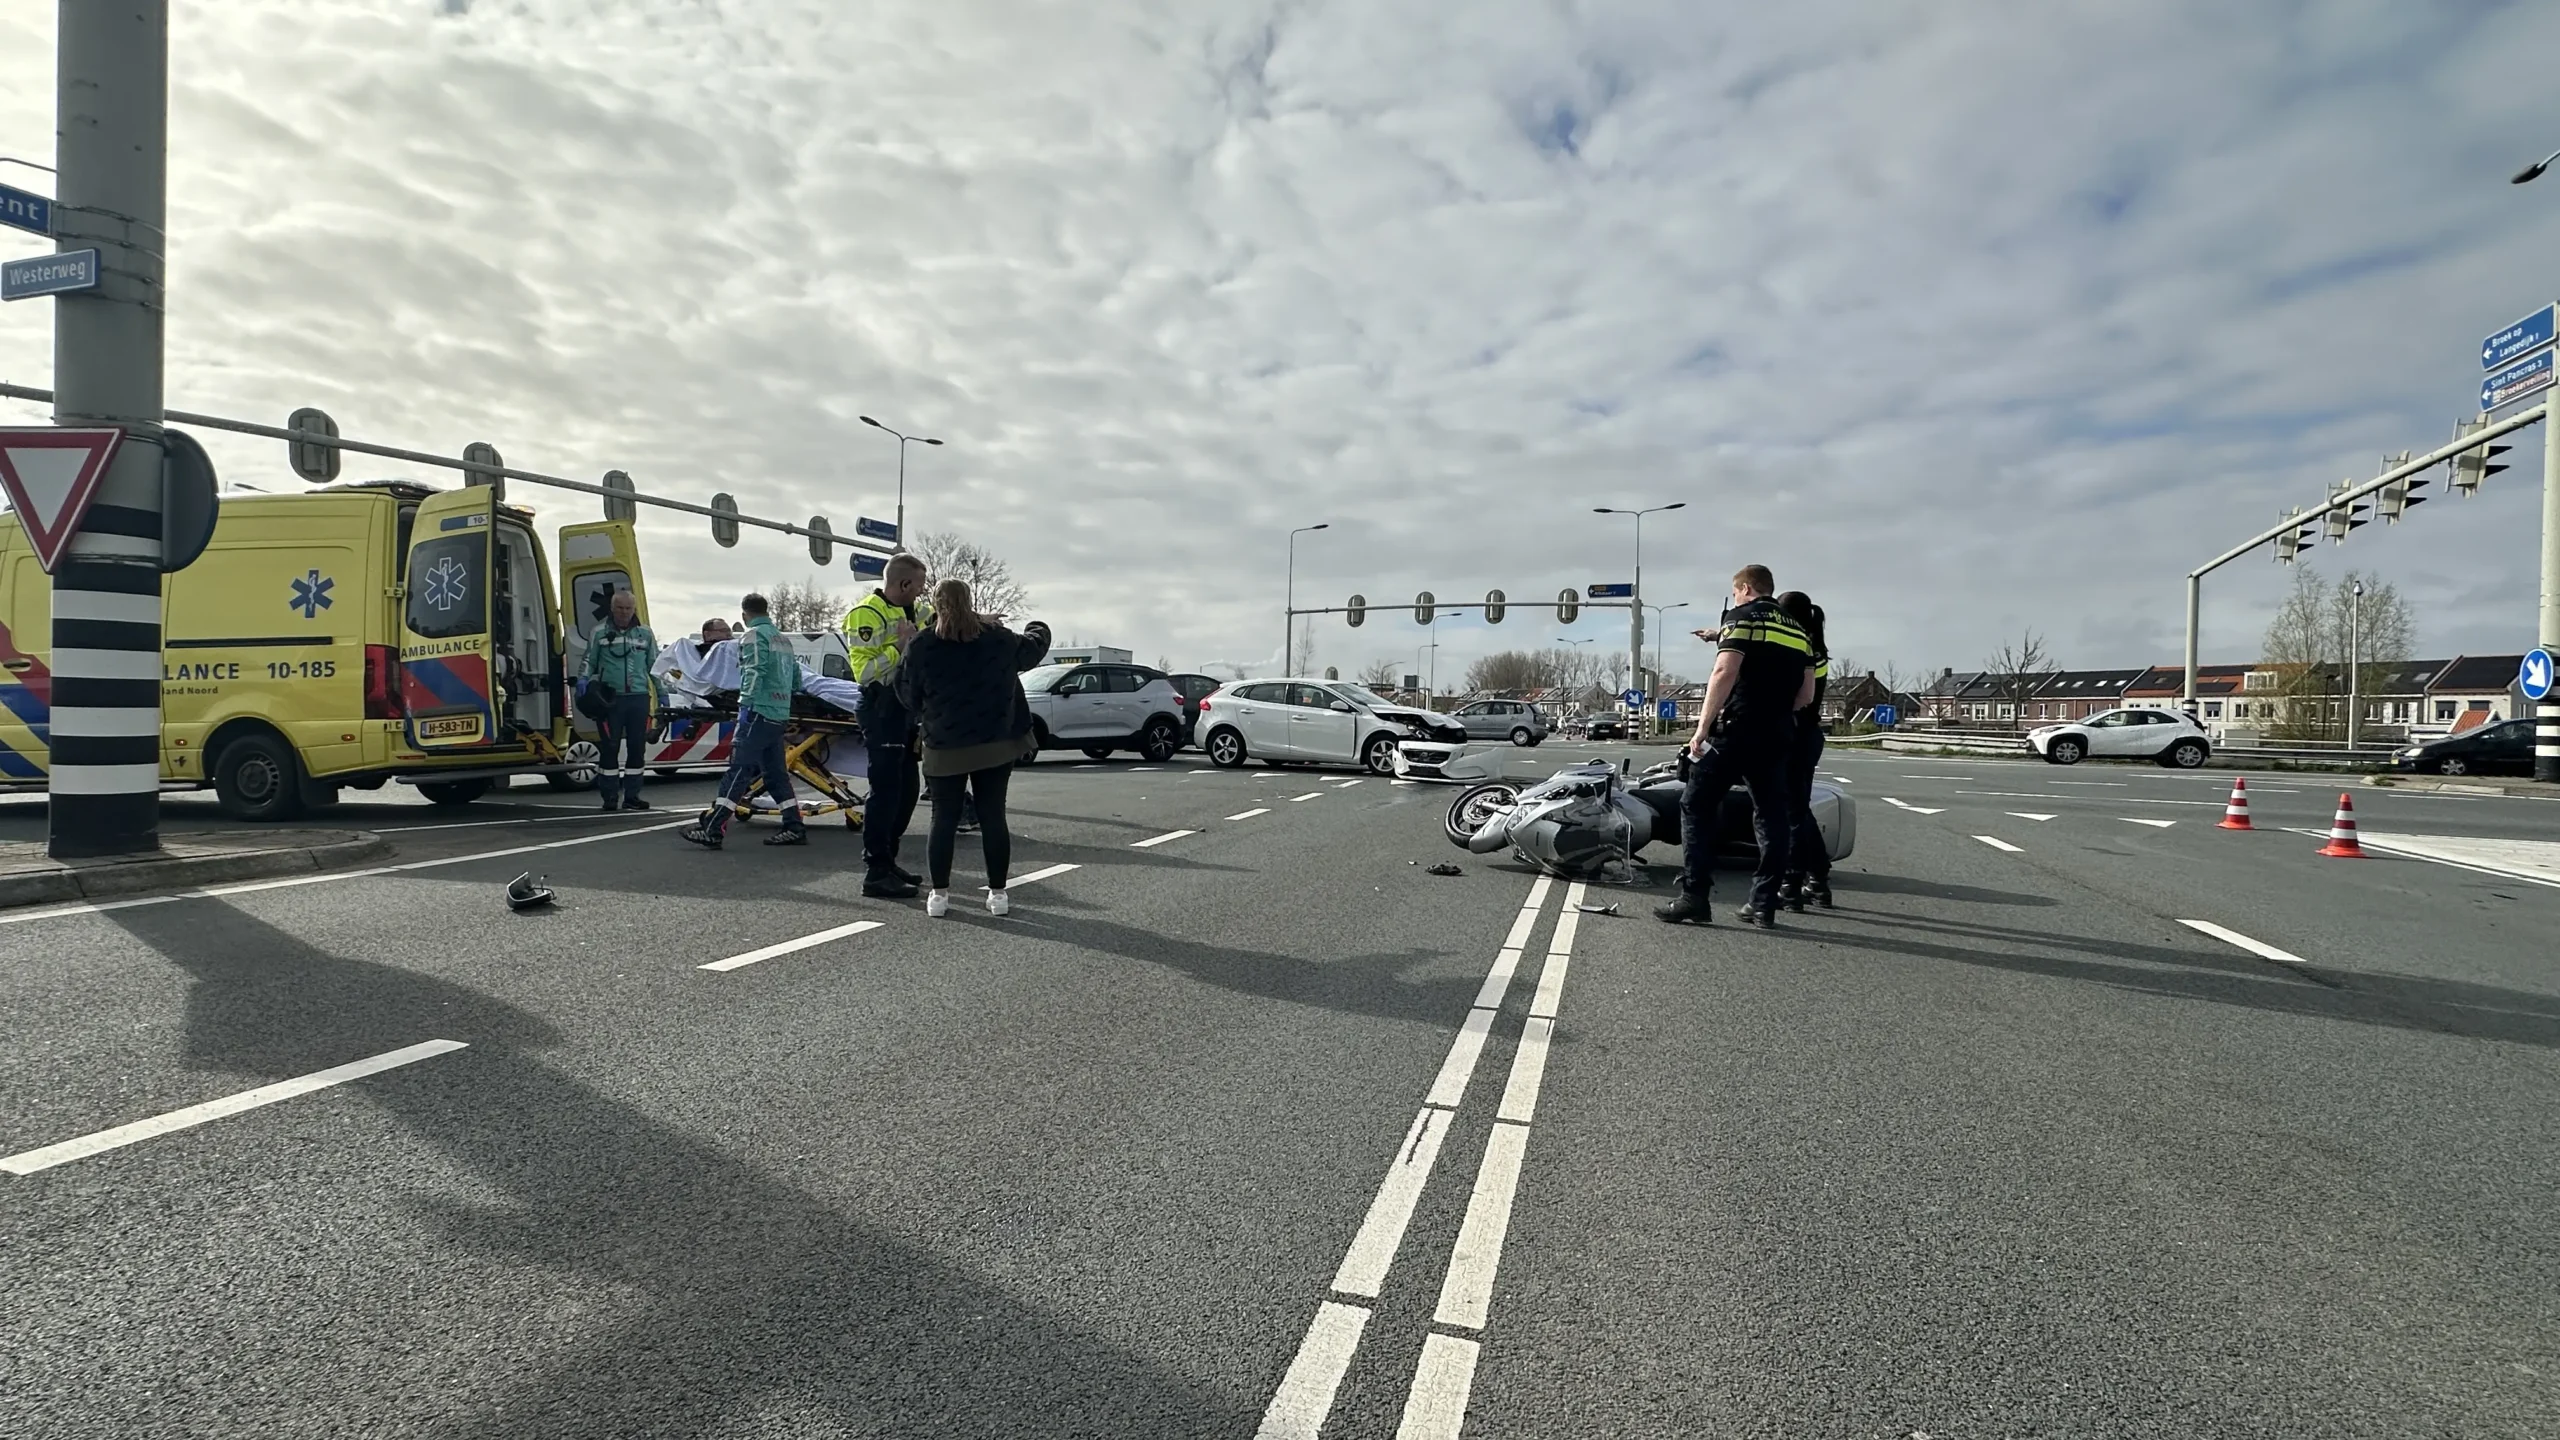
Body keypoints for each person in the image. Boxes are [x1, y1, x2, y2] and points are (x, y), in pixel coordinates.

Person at [1656, 564, 1816, 929]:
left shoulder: (1741, 617)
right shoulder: (1798, 631)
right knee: (1772, 817)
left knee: (1696, 806)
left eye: (1736, 592)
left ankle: (1694, 897)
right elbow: (1805, 695)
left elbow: (1724, 672)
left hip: (1734, 731)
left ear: (1744, 588)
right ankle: (1763, 904)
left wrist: (1702, 728)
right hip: (1777, 736)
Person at [894, 579, 1051, 916]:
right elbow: (1034, 647)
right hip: (996, 742)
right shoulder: (998, 639)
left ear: (936, 604)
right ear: (972, 603)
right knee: (993, 816)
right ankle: (998, 894)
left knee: (943, 819)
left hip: (944, 745)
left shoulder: (922, 645)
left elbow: (907, 695)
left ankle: (940, 896)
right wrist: (1035, 626)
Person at [680, 592, 807, 850]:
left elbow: (753, 670)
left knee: (738, 770)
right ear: (767, 611)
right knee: (775, 775)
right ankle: (794, 826)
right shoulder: (782, 640)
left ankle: (713, 829)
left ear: (744, 614)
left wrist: (745, 705)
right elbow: (795, 678)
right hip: (779, 713)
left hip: (758, 712)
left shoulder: (752, 636)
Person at [844, 555, 930, 897]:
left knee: (908, 790)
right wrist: (899, 646)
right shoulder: (866, 614)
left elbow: (942, 618)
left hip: (904, 708)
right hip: (880, 707)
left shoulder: (913, 611)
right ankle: (875, 871)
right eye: (919, 586)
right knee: (885, 791)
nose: (921, 593)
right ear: (904, 584)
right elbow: (863, 672)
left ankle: (889, 859)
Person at [1773, 591, 1832, 910]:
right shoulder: (1814, 644)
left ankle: (1792, 883)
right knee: (1798, 810)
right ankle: (1818, 879)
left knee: (1791, 812)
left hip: (1795, 734)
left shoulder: (1800, 647)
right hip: (1807, 734)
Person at [580, 589, 657, 811]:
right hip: (610, 700)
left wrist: (661, 694)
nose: (624, 612)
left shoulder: (645, 634)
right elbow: (589, 661)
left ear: (634, 609)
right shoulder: (599, 633)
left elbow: (654, 666)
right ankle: (610, 797)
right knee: (609, 747)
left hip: (638, 698)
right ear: (612, 609)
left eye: (628, 608)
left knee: (636, 748)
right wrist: (583, 681)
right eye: (620, 608)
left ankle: (632, 796)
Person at [651, 617, 732, 705]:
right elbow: (666, 669)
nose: (728, 634)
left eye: (729, 631)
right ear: (708, 634)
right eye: (724, 630)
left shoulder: (735, 649)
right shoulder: (692, 652)